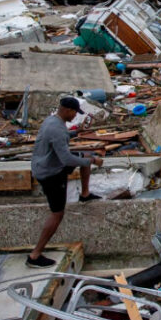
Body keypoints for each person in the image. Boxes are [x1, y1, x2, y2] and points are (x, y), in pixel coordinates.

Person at [26, 97, 103, 268]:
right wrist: (93, 162)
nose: (76, 116)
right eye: (75, 112)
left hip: (45, 164)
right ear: (68, 110)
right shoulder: (57, 130)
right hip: (50, 173)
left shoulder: (52, 121)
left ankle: (85, 194)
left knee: (85, 155)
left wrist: (76, 133)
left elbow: (60, 139)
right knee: (57, 214)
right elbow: (67, 159)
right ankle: (35, 255)